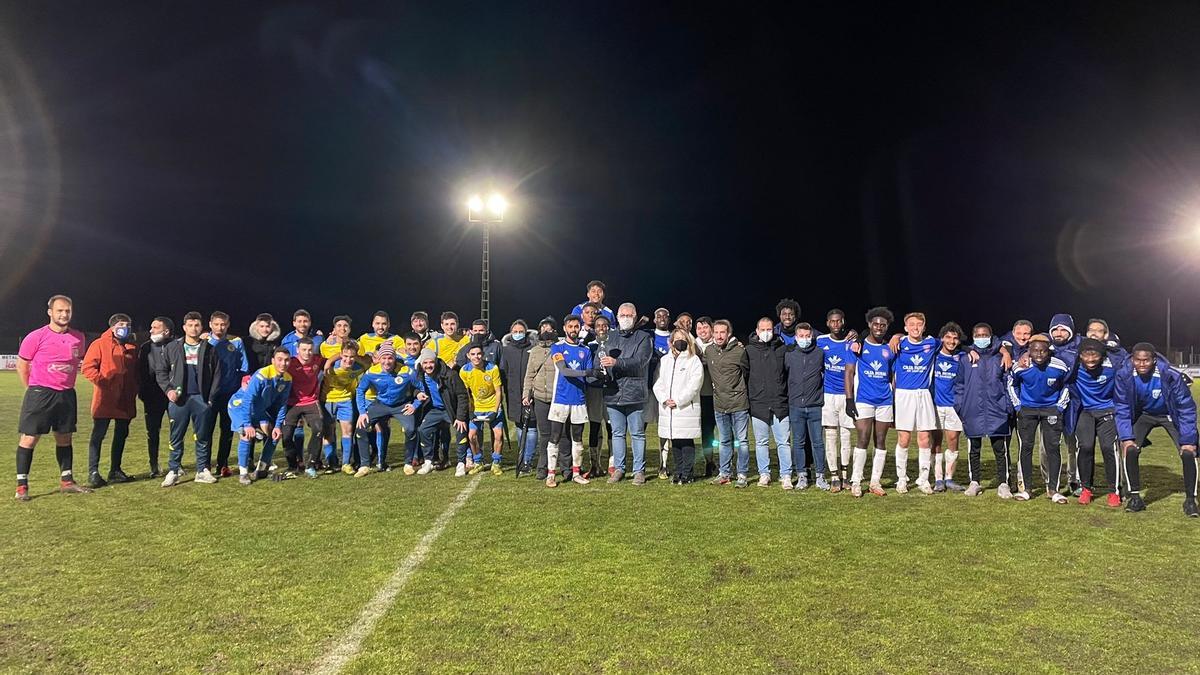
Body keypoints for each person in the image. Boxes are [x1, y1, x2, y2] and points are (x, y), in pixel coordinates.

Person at [14, 295, 92, 500]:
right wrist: (33, 389)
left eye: (67, 311)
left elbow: (77, 361)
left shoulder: (78, 337)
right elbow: (22, 365)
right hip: (41, 393)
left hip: (66, 394)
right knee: (30, 439)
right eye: (59, 310)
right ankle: (22, 486)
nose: (64, 314)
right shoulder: (36, 336)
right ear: (50, 312)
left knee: (65, 438)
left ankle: (67, 481)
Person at [1114, 343, 1198, 517]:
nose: (1142, 364)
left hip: (1169, 414)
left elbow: (1186, 408)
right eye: (1138, 360)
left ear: (1154, 360)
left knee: (1189, 451)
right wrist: (1126, 436)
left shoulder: (1171, 376)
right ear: (1132, 359)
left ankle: (1191, 501)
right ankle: (1135, 498)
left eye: (1146, 360)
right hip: (1144, 415)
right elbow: (1121, 407)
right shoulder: (1124, 375)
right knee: (1129, 448)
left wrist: (1189, 439)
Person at [156, 311, 225, 487]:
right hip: (179, 400)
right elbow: (161, 371)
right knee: (176, 436)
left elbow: (217, 375)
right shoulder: (172, 347)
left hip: (200, 400)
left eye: (197, 325)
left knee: (202, 437)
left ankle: (202, 470)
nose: (193, 329)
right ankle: (174, 470)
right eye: (190, 325)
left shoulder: (209, 349)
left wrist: (210, 399)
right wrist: (168, 390)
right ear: (184, 327)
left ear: (202, 327)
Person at [1008, 334, 1071, 502]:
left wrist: (1059, 406)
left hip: (1051, 410)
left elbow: (1067, 385)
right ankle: (1026, 489)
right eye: (1035, 350)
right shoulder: (1021, 366)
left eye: (1043, 351)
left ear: (1048, 351)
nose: (1039, 354)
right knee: (1026, 447)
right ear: (1029, 350)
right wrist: (1018, 406)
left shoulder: (1060, 366)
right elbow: (1011, 384)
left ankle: (1053, 490)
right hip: (1027, 410)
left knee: (1052, 448)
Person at [953, 323, 1014, 497]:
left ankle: (1003, 483)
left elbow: (1007, 383)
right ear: (973, 337)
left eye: (984, 335)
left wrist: (1007, 407)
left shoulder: (1000, 357)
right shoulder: (966, 358)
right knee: (974, 449)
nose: (981, 338)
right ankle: (975, 482)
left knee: (1000, 450)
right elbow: (959, 385)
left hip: (997, 411)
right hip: (973, 411)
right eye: (978, 335)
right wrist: (961, 407)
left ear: (991, 335)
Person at [81, 312, 139, 488]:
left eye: (127, 324)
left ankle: (115, 470)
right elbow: (88, 368)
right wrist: (105, 383)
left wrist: (134, 388)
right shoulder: (99, 344)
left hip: (125, 399)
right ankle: (93, 472)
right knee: (98, 435)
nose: (125, 328)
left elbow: (136, 373)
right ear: (113, 327)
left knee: (121, 435)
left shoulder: (132, 347)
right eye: (121, 324)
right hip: (104, 399)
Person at [844, 307, 897, 497]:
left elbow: (893, 376)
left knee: (881, 441)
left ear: (887, 327)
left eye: (883, 325)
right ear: (869, 324)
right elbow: (849, 373)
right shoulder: (857, 346)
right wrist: (849, 400)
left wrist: (895, 402)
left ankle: (875, 481)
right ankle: (856, 481)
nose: (879, 327)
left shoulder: (890, 349)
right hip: (864, 399)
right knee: (863, 439)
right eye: (876, 324)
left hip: (884, 400)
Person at [600, 304, 653, 485]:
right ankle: (619, 468)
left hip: (635, 392)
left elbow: (641, 361)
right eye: (622, 315)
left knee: (637, 433)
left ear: (635, 315)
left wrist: (617, 362)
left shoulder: (644, 337)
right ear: (617, 316)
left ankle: (639, 471)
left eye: (628, 315)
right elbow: (601, 358)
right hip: (613, 392)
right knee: (617, 433)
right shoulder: (610, 336)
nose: (625, 317)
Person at [1067, 338, 1121, 507]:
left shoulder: (1113, 367)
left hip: (1108, 411)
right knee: (1086, 447)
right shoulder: (1074, 366)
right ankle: (1086, 489)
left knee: (1108, 448)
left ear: (1102, 355)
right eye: (1086, 355)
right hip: (1085, 412)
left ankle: (1114, 491)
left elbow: (1128, 358)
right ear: (1080, 355)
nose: (1090, 360)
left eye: (1095, 355)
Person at [890, 312, 939, 494]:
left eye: (919, 324)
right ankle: (901, 479)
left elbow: (954, 343)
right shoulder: (899, 344)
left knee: (925, 438)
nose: (916, 328)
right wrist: (896, 337)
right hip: (904, 395)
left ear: (924, 327)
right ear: (905, 328)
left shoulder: (932, 343)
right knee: (904, 438)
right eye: (912, 324)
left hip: (923, 395)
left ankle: (923, 479)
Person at [227, 348, 292, 485]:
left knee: (274, 434)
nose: (283, 363)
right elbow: (247, 400)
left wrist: (278, 426)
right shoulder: (261, 375)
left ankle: (262, 468)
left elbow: (282, 405)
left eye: (286, 360)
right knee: (246, 435)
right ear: (273, 361)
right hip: (240, 406)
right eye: (279, 360)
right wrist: (247, 424)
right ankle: (243, 473)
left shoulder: (287, 379)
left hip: (258, 408)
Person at [355, 342, 422, 472]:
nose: (387, 361)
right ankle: (364, 465)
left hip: (401, 405)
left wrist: (415, 405)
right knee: (361, 427)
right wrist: (362, 412)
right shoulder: (371, 372)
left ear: (394, 358)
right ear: (379, 359)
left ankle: (408, 463)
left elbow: (421, 390)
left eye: (390, 358)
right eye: (383, 358)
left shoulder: (407, 371)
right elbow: (360, 390)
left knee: (410, 429)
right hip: (381, 404)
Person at [545, 314, 595, 487]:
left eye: (576, 327)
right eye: (570, 326)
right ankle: (551, 474)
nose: (573, 330)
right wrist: (586, 373)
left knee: (578, 437)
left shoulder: (586, 350)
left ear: (580, 328)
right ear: (565, 328)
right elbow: (564, 371)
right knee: (555, 436)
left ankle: (576, 473)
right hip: (560, 398)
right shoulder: (557, 348)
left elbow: (590, 374)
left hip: (579, 400)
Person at [653, 329, 705, 484]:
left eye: (683, 338)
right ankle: (678, 471)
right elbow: (657, 383)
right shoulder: (664, 360)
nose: (679, 341)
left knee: (686, 441)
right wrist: (664, 399)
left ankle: (687, 473)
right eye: (676, 339)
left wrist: (679, 400)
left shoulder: (693, 360)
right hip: (668, 410)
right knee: (675, 442)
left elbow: (695, 384)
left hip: (685, 408)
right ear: (671, 342)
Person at [703, 319, 750, 487]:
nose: (719, 335)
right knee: (724, 441)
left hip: (739, 404)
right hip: (719, 405)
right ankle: (724, 473)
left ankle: (743, 474)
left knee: (742, 441)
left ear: (729, 333)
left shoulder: (739, 351)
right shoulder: (709, 351)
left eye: (722, 332)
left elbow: (746, 373)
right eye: (716, 332)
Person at [747, 316, 790, 489]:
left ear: (774, 331)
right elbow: (745, 374)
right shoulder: (749, 351)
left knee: (783, 442)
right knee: (761, 442)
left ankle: (786, 475)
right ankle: (764, 474)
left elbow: (788, 374)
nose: (766, 333)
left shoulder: (783, 349)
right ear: (757, 331)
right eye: (762, 329)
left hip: (780, 403)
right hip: (758, 404)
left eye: (769, 329)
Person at [206, 311, 250, 477]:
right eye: (216, 324)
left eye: (223, 324)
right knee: (207, 430)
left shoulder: (236, 342)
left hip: (230, 394)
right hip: (210, 395)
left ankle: (222, 464)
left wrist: (241, 391)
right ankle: (205, 465)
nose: (220, 327)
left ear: (228, 324)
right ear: (210, 324)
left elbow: (244, 368)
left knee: (227, 430)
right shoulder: (204, 342)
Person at [784, 322, 826, 490]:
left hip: (815, 405)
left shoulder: (820, 353)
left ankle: (821, 476)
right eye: (801, 336)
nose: (804, 339)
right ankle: (802, 475)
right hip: (795, 406)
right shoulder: (789, 354)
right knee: (798, 442)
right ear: (796, 337)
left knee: (818, 443)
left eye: (807, 336)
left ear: (812, 336)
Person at [817, 309, 855, 492]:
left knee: (846, 436)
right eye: (832, 321)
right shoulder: (821, 341)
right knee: (831, 436)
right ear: (827, 323)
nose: (835, 324)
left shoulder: (852, 342)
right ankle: (834, 476)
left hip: (847, 395)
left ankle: (846, 476)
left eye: (838, 321)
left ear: (843, 322)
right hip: (828, 395)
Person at [414, 349, 469, 474]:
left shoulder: (450, 375)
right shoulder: (420, 374)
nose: (428, 365)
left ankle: (461, 462)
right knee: (423, 430)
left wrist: (460, 417)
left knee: (461, 430)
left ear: (436, 362)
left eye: (431, 362)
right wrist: (417, 393)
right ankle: (428, 461)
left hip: (450, 409)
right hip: (434, 410)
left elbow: (462, 395)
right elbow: (414, 388)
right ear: (421, 364)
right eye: (425, 363)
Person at [321, 340, 368, 476]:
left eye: (352, 357)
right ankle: (331, 462)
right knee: (328, 433)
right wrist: (329, 361)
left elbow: (368, 364)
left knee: (347, 432)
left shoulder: (358, 367)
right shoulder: (331, 367)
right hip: (327, 401)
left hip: (345, 401)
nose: (348, 360)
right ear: (341, 354)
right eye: (346, 356)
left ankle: (346, 463)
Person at [282, 337, 326, 478]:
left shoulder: (317, 360)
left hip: (311, 402)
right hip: (292, 403)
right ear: (297, 350)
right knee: (287, 435)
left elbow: (334, 358)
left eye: (309, 350)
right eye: (304, 350)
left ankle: (311, 464)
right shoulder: (290, 363)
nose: (307, 353)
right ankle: (293, 465)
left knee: (318, 430)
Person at [522, 318, 559, 481]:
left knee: (561, 434)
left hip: (558, 398)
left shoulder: (560, 348)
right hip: (540, 398)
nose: (546, 330)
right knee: (544, 434)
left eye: (549, 328)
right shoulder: (535, 351)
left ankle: (565, 466)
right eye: (543, 327)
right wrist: (526, 394)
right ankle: (542, 467)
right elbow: (530, 374)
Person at [498, 320, 537, 475]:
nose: (518, 333)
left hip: (531, 393)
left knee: (532, 427)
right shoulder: (506, 350)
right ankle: (521, 457)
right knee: (520, 426)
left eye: (521, 331)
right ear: (511, 333)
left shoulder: (533, 349)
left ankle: (528, 460)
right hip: (513, 394)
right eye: (515, 331)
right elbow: (503, 372)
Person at [930, 322, 966, 492]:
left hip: (954, 406)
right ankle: (938, 479)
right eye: (948, 337)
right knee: (936, 441)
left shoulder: (963, 357)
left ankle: (949, 478)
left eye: (955, 338)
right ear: (942, 338)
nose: (952, 341)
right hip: (935, 405)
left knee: (953, 440)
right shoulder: (933, 355)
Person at [460, 344, 505, 476]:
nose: (476, 357)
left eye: (479, 354)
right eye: (473, 354)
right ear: (468, 356)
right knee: (472, 436)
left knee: (498, 435)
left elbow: (498, 391)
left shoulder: (492, 368)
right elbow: (466, 392)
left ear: (483, 354)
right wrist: (470, 409)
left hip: (492, 406)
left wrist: (495, 410)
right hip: (477, 408)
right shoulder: (464, 371)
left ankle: (496, 463)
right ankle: (478, 461)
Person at [137, 316, 174, 478]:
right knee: (152, 432)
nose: (151, 330)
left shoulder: (176, 346)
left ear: (166, 331)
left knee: (176, 431)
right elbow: (141, 372)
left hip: (173, 396)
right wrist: (143, 393)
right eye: (151, 327)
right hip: (152, 397)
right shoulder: (145, 347)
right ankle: (154, 465)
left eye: (155, 327)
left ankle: (175, 464)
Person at [584, 315, 613, 477]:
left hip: (610, 391)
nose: (601, 328)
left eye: (604, 325)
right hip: (594, 390)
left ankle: (612, 464)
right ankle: (595, 464)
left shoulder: (614, 343)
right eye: (598, 326)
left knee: (611, 428)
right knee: (594, 427)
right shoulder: (589, 346)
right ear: (594, 329)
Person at [646, 307, 672, 479]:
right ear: (654, 320)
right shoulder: (647, 335)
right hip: (648, 388)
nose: (661, 318)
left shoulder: (675, 336)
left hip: (667, 389)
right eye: (658, 316)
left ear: (668, 319)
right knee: (641, 426)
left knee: (665, 428)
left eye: (665, 315)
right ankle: (640, 464)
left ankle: (663, 464)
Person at [693, 316, 718, 477]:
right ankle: (709, 462)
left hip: (717, 394)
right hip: (699, 395)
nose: (702, 331)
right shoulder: (693, 345)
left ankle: (726, 462)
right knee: (706, 430)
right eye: (699, 328)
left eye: (705, 327)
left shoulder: (719, 343)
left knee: (721, 429)